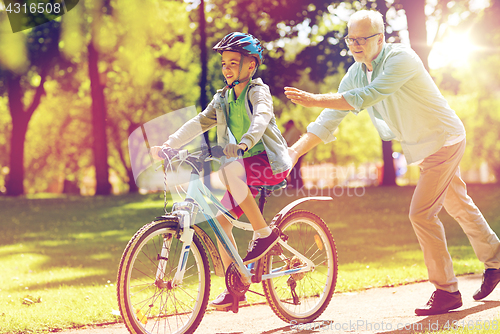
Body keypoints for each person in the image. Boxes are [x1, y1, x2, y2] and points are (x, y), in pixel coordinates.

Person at [284, 10, 500, 316]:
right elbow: (329, 120)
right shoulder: (357, 71)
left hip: (444, 139)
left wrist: (314, 98)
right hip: (425, 147)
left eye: (362, 38)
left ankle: (446, 290)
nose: (355, 44)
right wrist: (294, 151)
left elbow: (370, 95)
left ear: (381, 38)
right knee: (459, 205)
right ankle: (496, 260)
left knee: (422, 214)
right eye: (351, 38)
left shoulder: (402, 59)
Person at [151, 32, 292, 309]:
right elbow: (199, 121)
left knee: (227, 173)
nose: (227, 68)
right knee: (220, 218)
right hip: (241, 165)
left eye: (233, 62)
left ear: (251, 65)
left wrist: (244, 143)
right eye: (224, 63)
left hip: (268, 162)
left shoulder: (257, 91)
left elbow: (262, 118)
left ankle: (264, 233)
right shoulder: (224, 98)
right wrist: (169, 144)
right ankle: (235, 284)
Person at [283, 120, 304, 188]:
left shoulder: (293, 131)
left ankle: (297, 185)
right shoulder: (293, 130)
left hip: (294, 153)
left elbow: (286, 142)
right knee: (295, 170)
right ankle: (296, 185)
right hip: (296, 152)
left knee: (294, 170)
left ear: (290, 124)